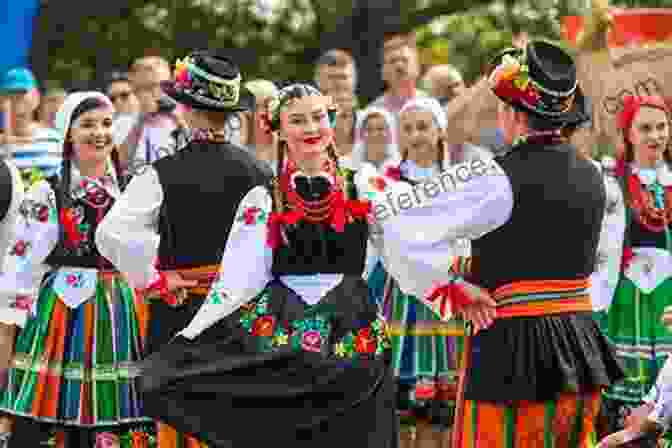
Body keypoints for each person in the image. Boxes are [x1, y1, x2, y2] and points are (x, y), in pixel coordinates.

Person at [372, 40, 625, 446]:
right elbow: (604, 265)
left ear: (512, 114)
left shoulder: (491, 177)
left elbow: (392, 222)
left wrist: (450, 288)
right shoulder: (599, 177)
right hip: (580, 343)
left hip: (513, 347)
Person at [134, 82, 408, 448]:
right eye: (297, 120)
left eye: (317, 118)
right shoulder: (264, 196)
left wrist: (448, 284)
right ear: (278, 131)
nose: (310, 129)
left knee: (357, 429)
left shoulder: (365, 185)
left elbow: (405, 247)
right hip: (284, 331)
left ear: (331, 122)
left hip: (351, 329)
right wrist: (191, 335)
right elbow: (238, 278)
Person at [96, 50, 271, 447]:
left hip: (181, 310)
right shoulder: (261, 172)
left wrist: (155, 278)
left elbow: (111, 234)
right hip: (242, 312)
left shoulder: (162, 173)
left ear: (186, 111)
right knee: (238, 416)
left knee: (180, 417)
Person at [0, 91, 152, 447]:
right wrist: (7, 328)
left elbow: (149, 255)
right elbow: (22, 265)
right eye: (87, 125)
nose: (99, 133)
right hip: (60, 316)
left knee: (120, 418)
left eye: (106, 124)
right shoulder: (48, 192)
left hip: (120, 312)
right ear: (68, 133)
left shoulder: (134, 190)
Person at [597, 95, 672, 444]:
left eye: (661, 126)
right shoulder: (611, 182)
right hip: (625, 292)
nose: (655, 135)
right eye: (645, 128)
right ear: (628, 134)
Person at [0, 68, 62, 186]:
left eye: (22, 95)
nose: (17, 103)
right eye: (11, 96)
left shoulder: (56, 140)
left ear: (36, 99)